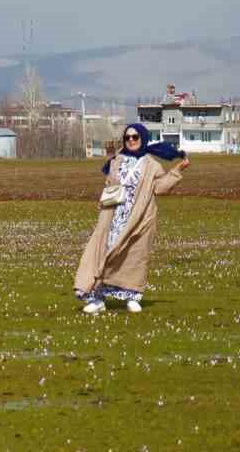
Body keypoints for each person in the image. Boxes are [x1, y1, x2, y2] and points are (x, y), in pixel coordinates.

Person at [73, 122, 189, 314]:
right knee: (104, 254)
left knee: (133, 257)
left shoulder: (152, 165)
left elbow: (160, 188)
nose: (131, 140)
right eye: (127, 137)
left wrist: (178, 170)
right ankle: (97, 298)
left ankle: (132, 297)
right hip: (112, 217)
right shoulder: (117, 160)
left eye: (135, 137)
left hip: (138, 218)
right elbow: (110, 184)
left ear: (143, 138)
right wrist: (110, 165)